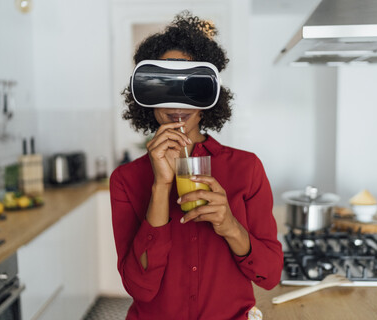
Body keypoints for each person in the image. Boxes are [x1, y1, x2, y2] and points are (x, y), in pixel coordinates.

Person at [110, 11, 283, 320]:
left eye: (191, 87)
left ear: (209, 97)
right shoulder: (126, 179)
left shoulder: (247, 169)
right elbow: (140, 287)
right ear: (148, 99)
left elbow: (269, 276)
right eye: (164, 88)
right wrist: (161, 187)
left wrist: (229, 226)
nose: (178, 105)